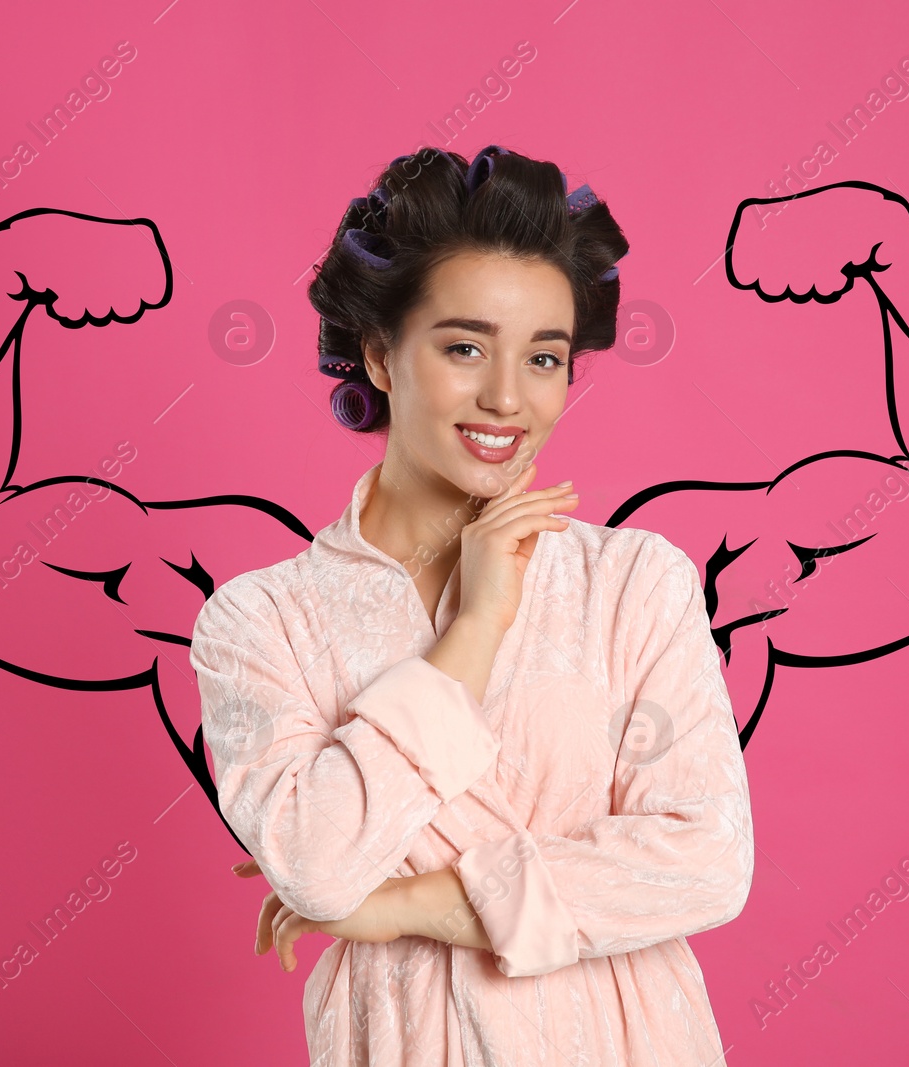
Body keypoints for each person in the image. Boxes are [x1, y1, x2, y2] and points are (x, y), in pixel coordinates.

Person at [189, 145, 754, 1065]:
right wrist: (478, 625)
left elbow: (704, 860)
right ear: (378, 352)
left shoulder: (633, 582)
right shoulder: (261, 623)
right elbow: (320, 864)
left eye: (544, 357)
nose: (506, 396)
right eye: (463, 347)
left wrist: (401, 903)